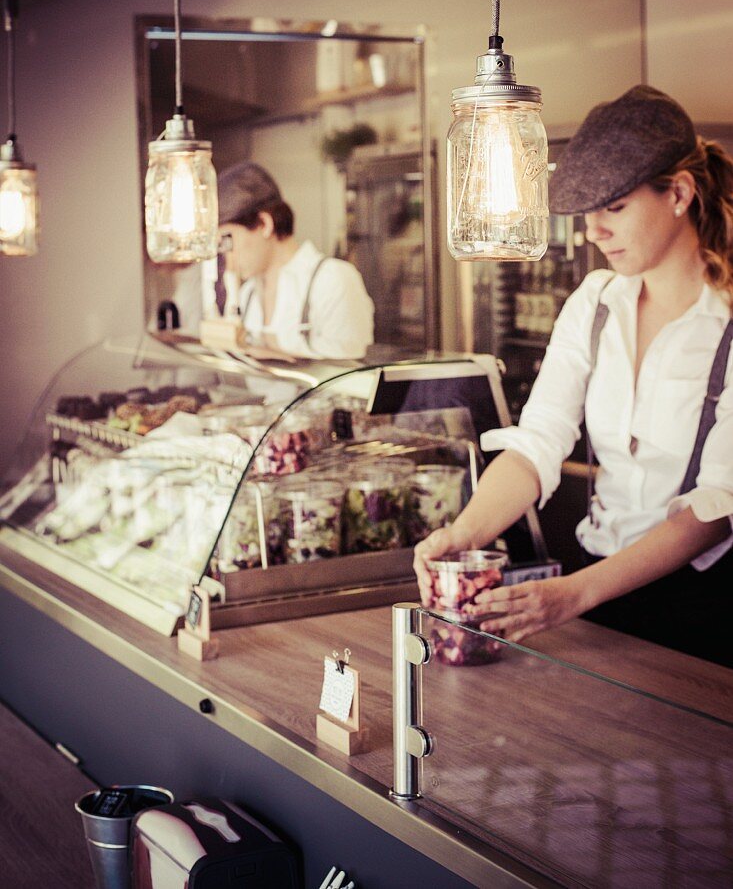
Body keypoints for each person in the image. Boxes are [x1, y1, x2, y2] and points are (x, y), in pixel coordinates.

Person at [414, 85, 733, 667]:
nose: (593, 231)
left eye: (614, 207)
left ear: (680, 194)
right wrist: (463, 534)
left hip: (702, 610)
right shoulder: (595, 302)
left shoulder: (727, 324)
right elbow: (538, 444)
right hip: (595, 592)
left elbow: (715, 511)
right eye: (589, 212)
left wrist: (570, 596)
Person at [216, 162, 374, 360]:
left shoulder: (333, 280)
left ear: (264, 224)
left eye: (228, 240)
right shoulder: (248, 293)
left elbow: (353, 372)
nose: (226, 254)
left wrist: (271, 344)